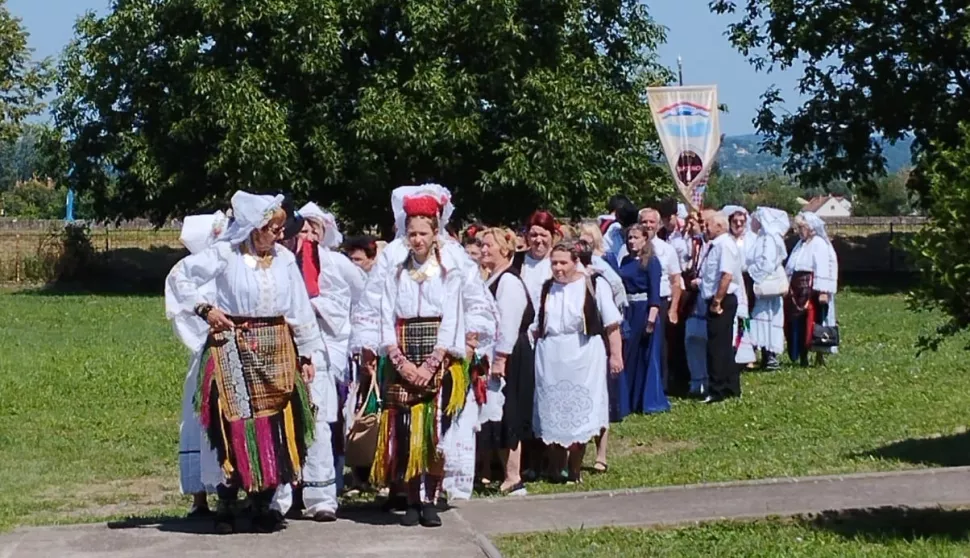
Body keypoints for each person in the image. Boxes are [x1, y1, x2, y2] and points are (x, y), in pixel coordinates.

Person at [166, 191, 325, 533]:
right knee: (232, 422)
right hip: (232, 347)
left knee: (273, 423)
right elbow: (180, 276)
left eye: (282, 228)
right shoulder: (227, 254)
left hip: (277, 349)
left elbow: (299, 307)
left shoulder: (283, 259)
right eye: (274, 228)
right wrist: (205, 309)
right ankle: (226, 501)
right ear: (255, 227)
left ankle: (262, 501)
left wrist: (307, 353)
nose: (280, 235)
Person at [350, 184, 496, 508]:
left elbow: (472, 302)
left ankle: (431, 496)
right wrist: (374, 350)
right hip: (400, 350)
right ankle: (405, 491)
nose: (416, 237)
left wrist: (469, 343)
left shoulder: (454, 259)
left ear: (436, 227)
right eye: (410, 230)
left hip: (443, 351)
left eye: (423, 230)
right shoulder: (393, 259)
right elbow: (375, 304)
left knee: (437, 428)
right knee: (403, 427)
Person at [295, 202, 367, 519]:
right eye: (304, 228)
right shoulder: (287, 261)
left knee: (328, 417)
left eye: (315, 229)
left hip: (333, 345)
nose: (309, 234)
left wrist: (347, 327)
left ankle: (329, 483)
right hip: (298, 347)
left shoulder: (337, 263)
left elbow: (363, 295)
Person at [531, 242, 623, 484]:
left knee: (581, 409)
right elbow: (536, 325)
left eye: (563, 262)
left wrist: (616, 355)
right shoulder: (547, 288)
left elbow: (611, 324)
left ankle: (575, 468)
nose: (558, 268)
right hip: (550, 355)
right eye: (554, 263)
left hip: (583, 354)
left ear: (575, 262)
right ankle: (557, 466)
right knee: (553, 409)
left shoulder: (593, 284)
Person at [166, 211, 229, 518]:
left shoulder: (232, 266)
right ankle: (200, 496)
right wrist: (205, 339)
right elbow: (182, 316)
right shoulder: (187, 272)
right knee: (199, 420)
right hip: (205, 356)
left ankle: (234, 491)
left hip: (235, 353)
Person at [478, 227, 535, 495]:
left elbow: (508, 323)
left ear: (505, 250)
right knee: (496, 412)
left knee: (508, 411)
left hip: (510, 354)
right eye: (482, 245)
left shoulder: (509, 282)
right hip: (497, 353)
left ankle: (514, 475)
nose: (483, 249)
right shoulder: (494, 279)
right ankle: (505, 473)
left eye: (489, 245)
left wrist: (500, 358)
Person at [617, 225, 670, 415]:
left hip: (644, 310)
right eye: (629, 238)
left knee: (645, 355)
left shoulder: (651, 261)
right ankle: (628, 399)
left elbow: (654, 293)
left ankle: (646, 400)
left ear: (645, 239)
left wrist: (651, 319)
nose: (632, 241)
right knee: (628, 354)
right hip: (628, 310)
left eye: (636, 237)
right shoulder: (625, 260)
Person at [697, 212, 743, 404]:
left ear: (720, 226)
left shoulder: (724, 245)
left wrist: (717, 301)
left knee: (717, 346)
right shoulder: (716, 245)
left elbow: (726, 275)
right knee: (722, 344)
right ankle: (730, 385)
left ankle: (717, 389)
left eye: (709, 225)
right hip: (716, 297)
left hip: (722, 300)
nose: (705, 228)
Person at [639, 208, 685, 395]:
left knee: (661, 346)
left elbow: (676, 281)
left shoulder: (667, 249)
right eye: (644, 222)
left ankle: (661, 386)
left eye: (651, 222)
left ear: (658, 225)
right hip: (639, 303)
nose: (648, 225)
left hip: (662, 301)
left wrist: (673, 309)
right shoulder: (632, 247)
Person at [785, 212, 839, 367]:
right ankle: (802, 355)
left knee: (815, 323)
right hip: (797, 290)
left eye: (802, 227)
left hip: (812, 290)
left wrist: (823, 290)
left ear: (810, 228)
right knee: (799, 323)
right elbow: (791, 267)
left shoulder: (819, 244)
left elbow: (823, 267)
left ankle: (819, 355)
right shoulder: (800, 245)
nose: (799, 231)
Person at [748, 207, 790, 370]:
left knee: (767, 317)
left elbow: (767, 262)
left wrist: (752, 274)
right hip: (764, 283)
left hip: (767, 284)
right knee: (762, 318)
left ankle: (770, 355)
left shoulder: (769, 238)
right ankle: (765, 353)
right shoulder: (762, 237)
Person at [684, 208, 716, 397]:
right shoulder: (697, 244)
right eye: (700, 223)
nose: (703, 227)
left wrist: (702, 283)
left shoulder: (720, 246)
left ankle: (709, 381)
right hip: (694, 300)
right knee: (692, 339)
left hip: (710, 298)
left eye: (706, 223)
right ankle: (696, 381)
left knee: (708, 342)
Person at [512, 210, 559, 308]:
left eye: (543, 235)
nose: (538, 240)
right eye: (534, 235)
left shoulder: (560, 261)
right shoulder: (516, 260)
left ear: (552, 236)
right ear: (527, 237)